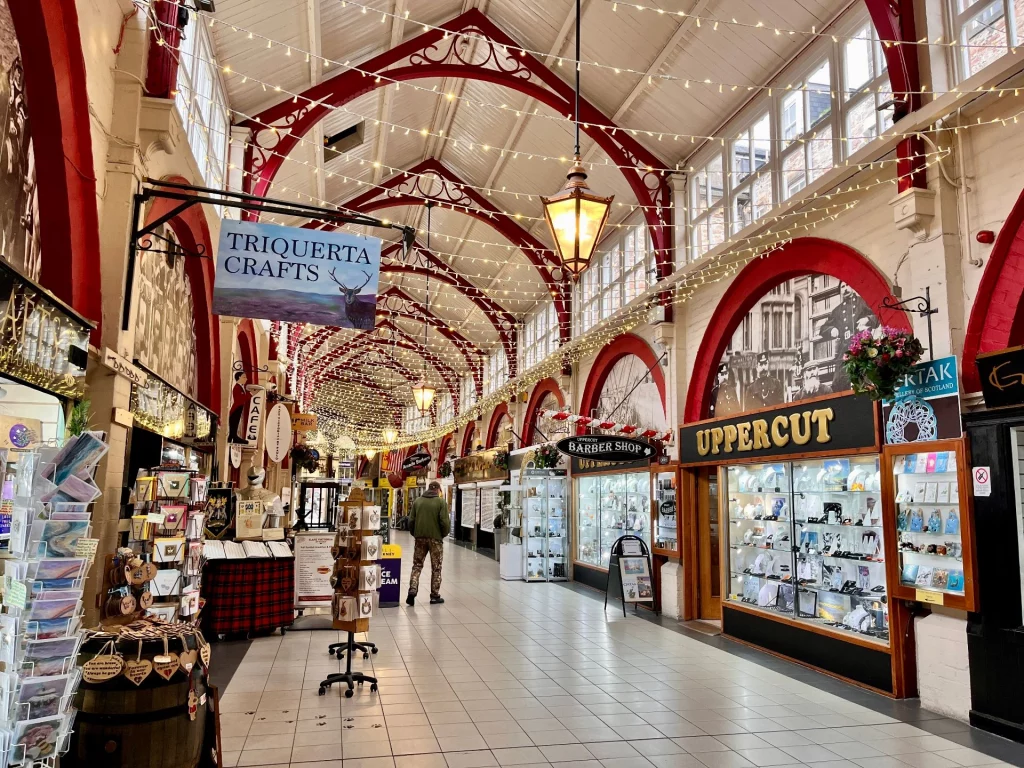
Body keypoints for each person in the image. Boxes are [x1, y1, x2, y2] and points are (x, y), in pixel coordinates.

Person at [406, 480, 450, 605]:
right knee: (436, 567)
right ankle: (434, 595)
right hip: (435, 539)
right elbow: (445, 522)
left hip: (420, 538)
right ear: (437, 490)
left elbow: (411, 521)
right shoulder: (441, 502)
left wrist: (415, 533)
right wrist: (442, 534)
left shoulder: (418, 501)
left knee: (417, 565)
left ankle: (412, 589)